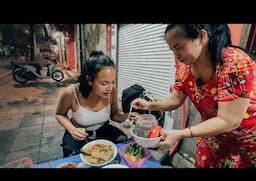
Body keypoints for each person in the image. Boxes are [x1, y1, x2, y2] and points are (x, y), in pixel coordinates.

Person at [131, 24, 256, 168]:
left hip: (249, 138)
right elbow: (175, 100)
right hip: (213, 135)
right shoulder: (185, 70)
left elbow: (229, 120)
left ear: (202, 37)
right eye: (172, 50)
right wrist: (150, 105)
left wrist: (180, 133)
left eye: (179, 47)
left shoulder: (234, 63)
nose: (176, 55)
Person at [56, 51, 131, 157]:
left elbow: (114, 114)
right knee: (73, 156)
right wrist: (72, 130)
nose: (109, 88)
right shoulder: (71, 93)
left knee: (123, 147)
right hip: (79, 133)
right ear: (90, 80)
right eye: (104, 83)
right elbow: (60, 114)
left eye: (113, 82)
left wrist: (127, 117)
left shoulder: (112, 91)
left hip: (103, 130)